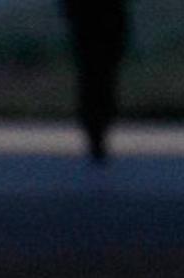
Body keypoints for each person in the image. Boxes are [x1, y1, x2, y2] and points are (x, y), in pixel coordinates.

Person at [61, 0, 128, 163]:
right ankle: (97, 132)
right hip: (103, 27)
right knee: (102, 82)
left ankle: (96, 133)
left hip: (90, 28)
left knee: (94, 82)